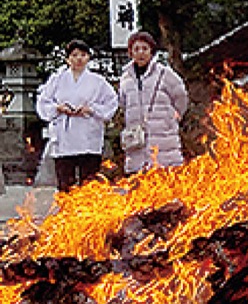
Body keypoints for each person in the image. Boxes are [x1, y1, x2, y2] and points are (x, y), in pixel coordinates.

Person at [36, 40, 118, 192]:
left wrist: (92, 109)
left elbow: (111, 103)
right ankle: (67, 213)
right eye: (74, 55)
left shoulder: (98, 81)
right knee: (66, 184)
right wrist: (58, 108)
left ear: (88, 58)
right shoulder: (57, 80)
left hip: (88, 137)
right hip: (64, 138)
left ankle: (89, 214)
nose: (79, 59)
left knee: (89, 184)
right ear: (68, 59)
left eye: (83, 55)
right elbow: (43, 103)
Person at [117, 30, 189, 174]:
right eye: (136, 49)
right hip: (137, 144)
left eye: (145, 48)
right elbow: (123, 103)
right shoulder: (126, 78)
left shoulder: (165, 74)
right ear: (130, 52)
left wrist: (175, 116)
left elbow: (181, 96)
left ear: (152, 51)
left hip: (164, 142)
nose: (141, 53)